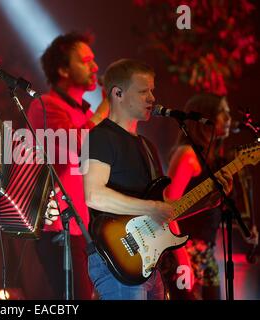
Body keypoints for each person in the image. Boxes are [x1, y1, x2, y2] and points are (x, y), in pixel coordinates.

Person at [82, 59, 233, 300]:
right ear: (118, 93)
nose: (152, 98)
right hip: (118, 262)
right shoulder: (100, 137)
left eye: (152, 90)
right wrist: (150, 207)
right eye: (143, 91)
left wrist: (207, 202)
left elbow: (165, 211)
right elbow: (94, 195)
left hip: (151, 264)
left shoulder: (147, 147)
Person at [27, 32, 109, 299]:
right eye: (86, 61)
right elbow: (79, 145)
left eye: (94, 60)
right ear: (63, 69)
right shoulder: (45, 105)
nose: (95, 67)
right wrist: (106, 107)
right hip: (59, 225)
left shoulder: (84, 113)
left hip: (86, 226)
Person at [164, 93, 258, 300]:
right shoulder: (187, 154)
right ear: (205, 118)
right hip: (185, 251)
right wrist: (181, 257)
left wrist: (245, 229)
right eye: (222, 113)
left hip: (207, 254)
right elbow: (167, 210)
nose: (229, 119)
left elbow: (213, 211)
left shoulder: (213, 159)